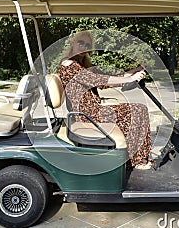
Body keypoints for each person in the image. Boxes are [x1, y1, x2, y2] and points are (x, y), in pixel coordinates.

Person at [58, 31, 153, 170]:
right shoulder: (68, 65)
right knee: (138, 109)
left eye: (87, 45)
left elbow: (107, 78)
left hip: (92, 110)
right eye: (81, 43)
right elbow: (97, 80)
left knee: (135, 109)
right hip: (87, 115)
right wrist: (129, 79)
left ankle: (131, 158)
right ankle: (137, 161)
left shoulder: (81, 65)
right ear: (73, 43)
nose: (84, 47)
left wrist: (137, 70)